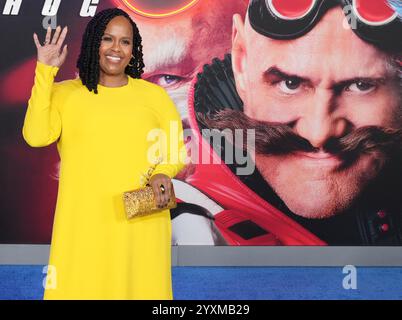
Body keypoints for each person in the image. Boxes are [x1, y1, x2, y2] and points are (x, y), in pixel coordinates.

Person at [173, 0, 402, 245]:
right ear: (241, 61)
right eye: (289, 84)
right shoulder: (180, 232)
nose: (319, 133)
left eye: (361, 86)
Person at [22, 8, 187, 299]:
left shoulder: (154, 97)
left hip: (140, 221)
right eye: (107, 39)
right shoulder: (65, 94)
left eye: (125, 42)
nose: (116, 48)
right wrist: (44, 72)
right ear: (92, 43)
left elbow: (175, 152)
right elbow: (35, 137)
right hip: (84, 225)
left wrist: (164, 172)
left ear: (133, 50)